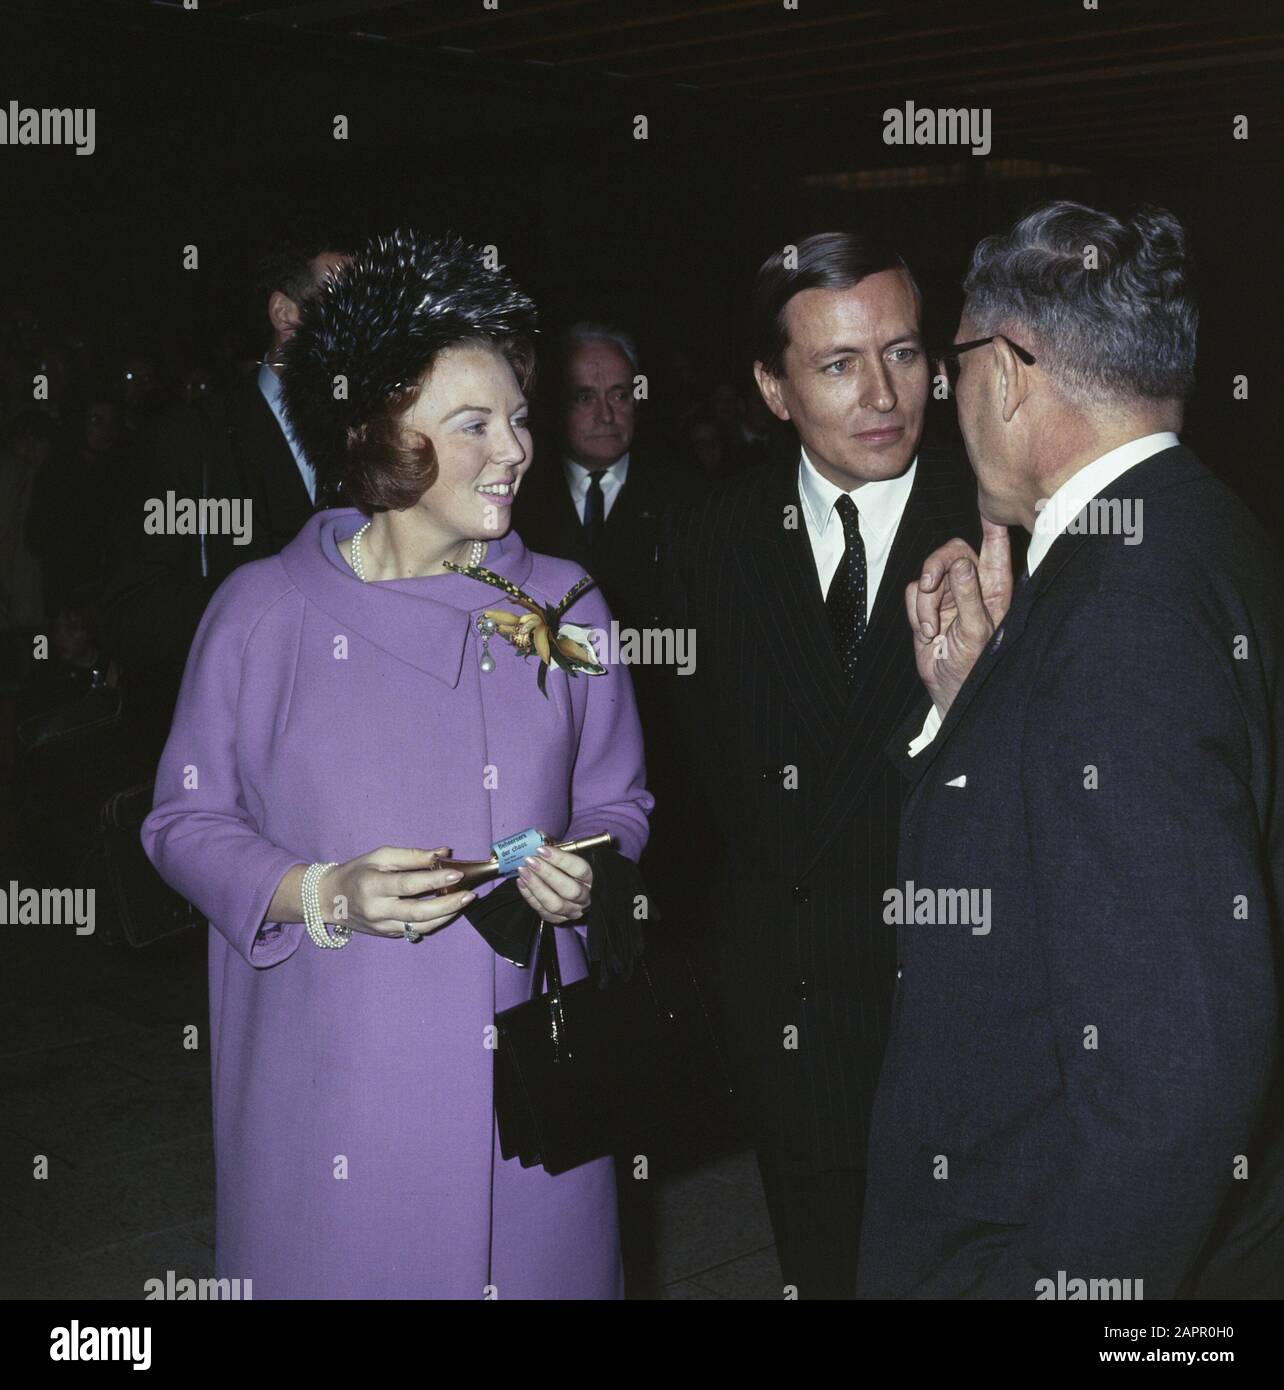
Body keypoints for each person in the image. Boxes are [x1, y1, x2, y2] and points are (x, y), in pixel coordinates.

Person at [141, 230, 653, 1300]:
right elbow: (184, 823)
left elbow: (622, 797)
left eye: (517, 416)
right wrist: (318, 891)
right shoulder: (262, 612)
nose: (513, 449)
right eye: (472, 423)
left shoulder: (567, 606)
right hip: (332, 1083)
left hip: (531, 1086)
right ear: (376, 428)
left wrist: (592, 867)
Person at [858, 201, 1284, 1299]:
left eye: (947, 363)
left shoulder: (1119, 615)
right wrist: (971, 699)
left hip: (1048, 1232)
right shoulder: (1206, 531)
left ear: (1005, 372)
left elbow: (1179, 1075)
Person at [659, 231, 979, 1298]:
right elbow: (701, 784)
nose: (884, 393)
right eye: (839, 364)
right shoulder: (708, 542)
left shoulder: (1002, 525)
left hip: (964, 1015)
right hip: (791, 1021)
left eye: (903, 352)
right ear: (771, 387)